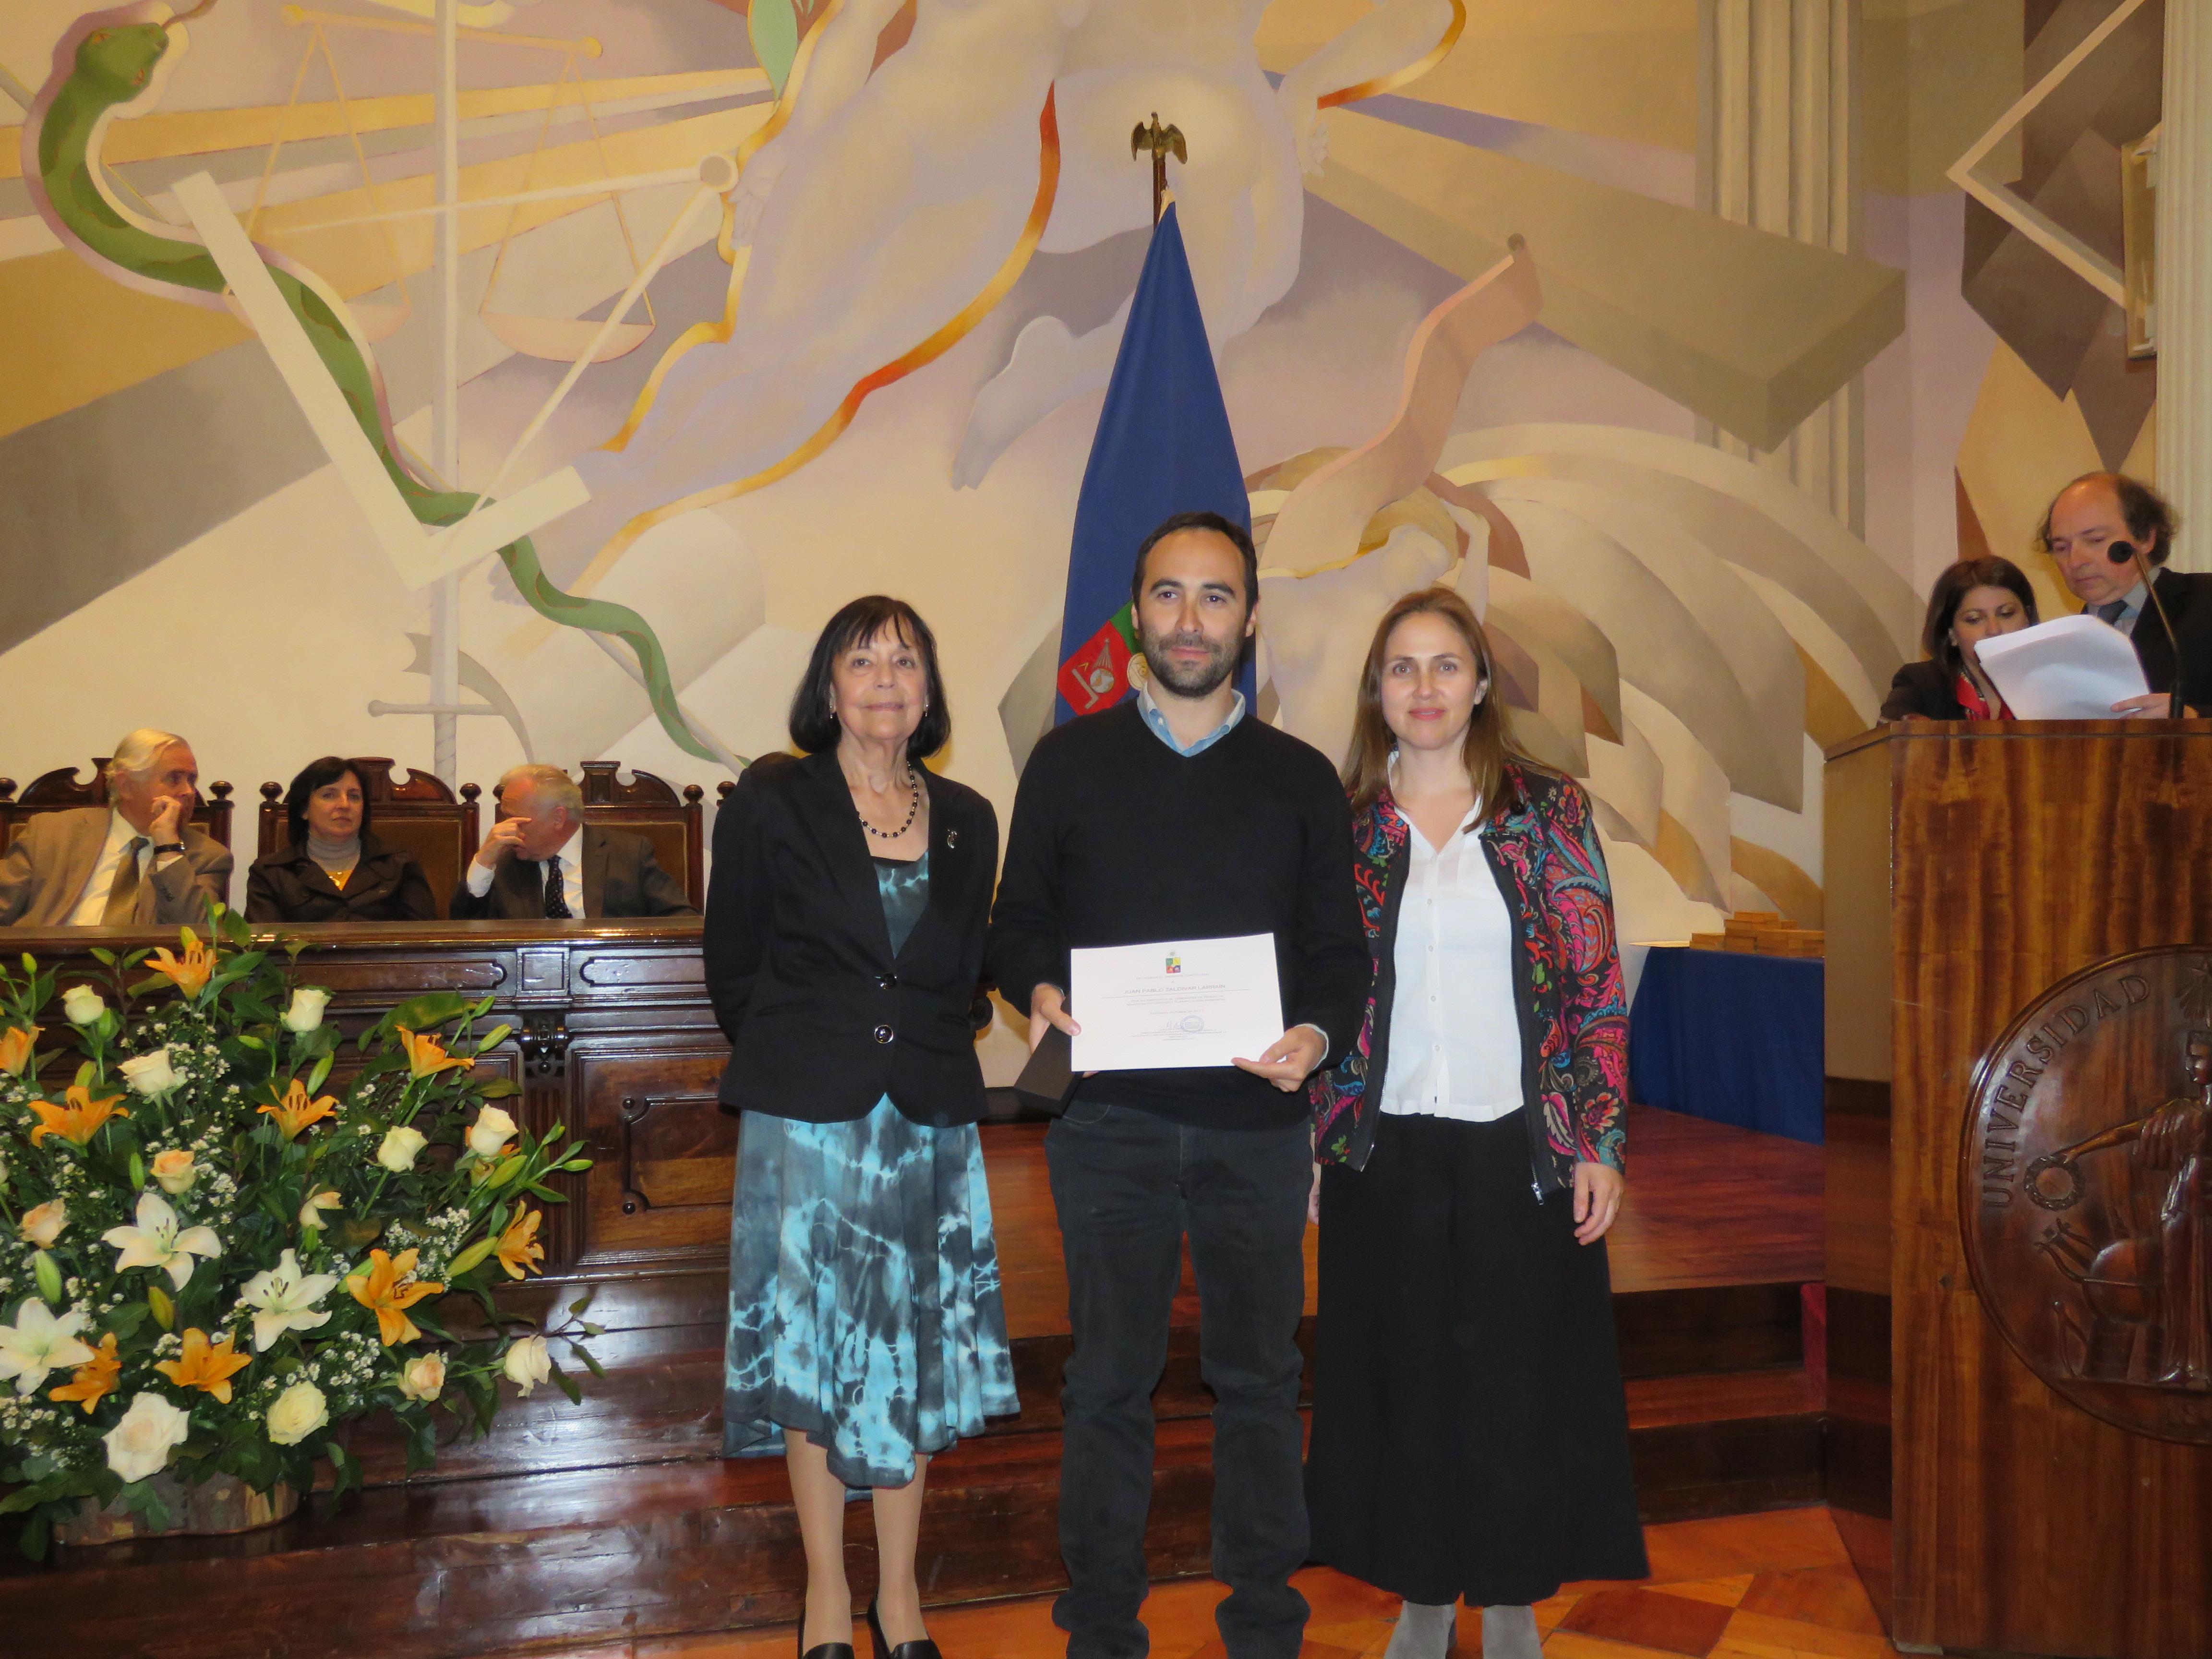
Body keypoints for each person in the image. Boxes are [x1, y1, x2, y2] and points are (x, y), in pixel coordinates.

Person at [988, 510, 1370, 1659]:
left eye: (1215, 596)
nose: (1190, 618)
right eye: (1168, 594)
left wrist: (1314, 1032)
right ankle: (1101, 1622)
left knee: (1259, 1378)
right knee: (1107, 1379)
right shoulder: (1068, 762)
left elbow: (1338, 951)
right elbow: (1018, 924)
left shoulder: (1300, 778)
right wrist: (1042, 992)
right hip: (1107, 1126)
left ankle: (1265, 1618)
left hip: (1257, 1126)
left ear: (1248, 620)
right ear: (1136, 614)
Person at [1304, 588, 1646, 1659]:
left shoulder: (1547, 810)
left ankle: (1508, 1600)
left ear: (1482, 684)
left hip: (1522, 1145)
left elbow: (1592, 980)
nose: (1423, 688)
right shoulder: (1344, 828)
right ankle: (1418, 1598)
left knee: (1517, 1386)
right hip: (1383, 1145)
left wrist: (1598, 1139)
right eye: (1402, 667)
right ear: (1376, 688)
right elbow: (1313, 992)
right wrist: (1312, 1139)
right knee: (1401, 1382)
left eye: (1445, 665)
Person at [705, 596, 1016, 1659]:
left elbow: (970, 961)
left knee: (908, 1359)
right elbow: (732, 961)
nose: (886, 679)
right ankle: (829, 1597)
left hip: (924, 1122)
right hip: (809, 1127)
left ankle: (901, 1601)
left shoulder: (972, 813)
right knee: (815, 1357)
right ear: (827, 686)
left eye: (907, 662)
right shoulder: (773, 796)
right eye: (862, 660)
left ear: (930, 691)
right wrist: (806, 1057)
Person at [0, 729, 231, 928]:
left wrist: (169, 848)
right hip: (43, 970)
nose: (189, 792)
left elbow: (199, 938)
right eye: (174, 779)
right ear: (126, 786)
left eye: (192, 780)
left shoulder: (207, 857)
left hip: (144, 976)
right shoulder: (50, 833)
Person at [2040, 470, 2212, 715]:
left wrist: (2194, 718)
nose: (2075, 561)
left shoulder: (2205, 603)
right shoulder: (2056, 647)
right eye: (2061, 547)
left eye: (2096, 540)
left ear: (2146, 538)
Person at [451, 764, 697, 920]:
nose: (506, 828)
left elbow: (683, 921)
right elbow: (463, 933)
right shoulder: (503, 860)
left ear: (558, 817)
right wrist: (482, 862)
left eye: (515, 818)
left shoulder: (629, 853)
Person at [244, 757, 438, 923]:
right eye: (329, 795)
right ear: (304, 810)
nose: (345, 805)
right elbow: (262, 953)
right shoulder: (271, 874)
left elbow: (425, 945)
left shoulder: (400, 865)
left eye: (354, 797)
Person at [1879, 557, 2040, 721]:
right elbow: (1888, 737)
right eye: (1974, 619)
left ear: (2027, 619)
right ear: (1952, 634)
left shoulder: (2053, 683)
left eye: (2006, 614)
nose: (1994, 630)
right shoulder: (1921, 685)